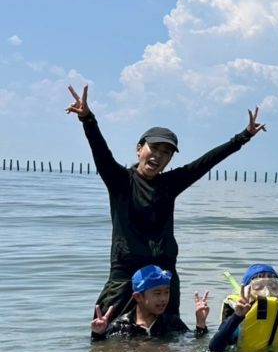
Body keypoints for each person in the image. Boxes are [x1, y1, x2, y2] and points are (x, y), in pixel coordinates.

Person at [67, 84, 266, 324]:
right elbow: (101, 152)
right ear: (139, 149)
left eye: (166, 152)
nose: (158, 156)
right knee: (106, 335)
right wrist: (87, 119)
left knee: (167, 340)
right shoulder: (120, 181)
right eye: (154, 148)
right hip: (126, 277)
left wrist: (244, 136)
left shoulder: (169, 184)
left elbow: (206, 162)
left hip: (163, 276)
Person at [91, 265, 209, 340]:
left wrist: (200, 323)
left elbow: (194, 345)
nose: (163, 298)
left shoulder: (172, 323)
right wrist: (98, 334)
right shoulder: (121, 326)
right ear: (138, 297)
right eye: (157, 293)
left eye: (166, 292)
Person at [209, 264, 278, 352]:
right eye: (258, 287)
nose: (267, 292)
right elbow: (214, 348)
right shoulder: (237, 314)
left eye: (273, 286)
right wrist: (237, 316)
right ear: (246, 291)